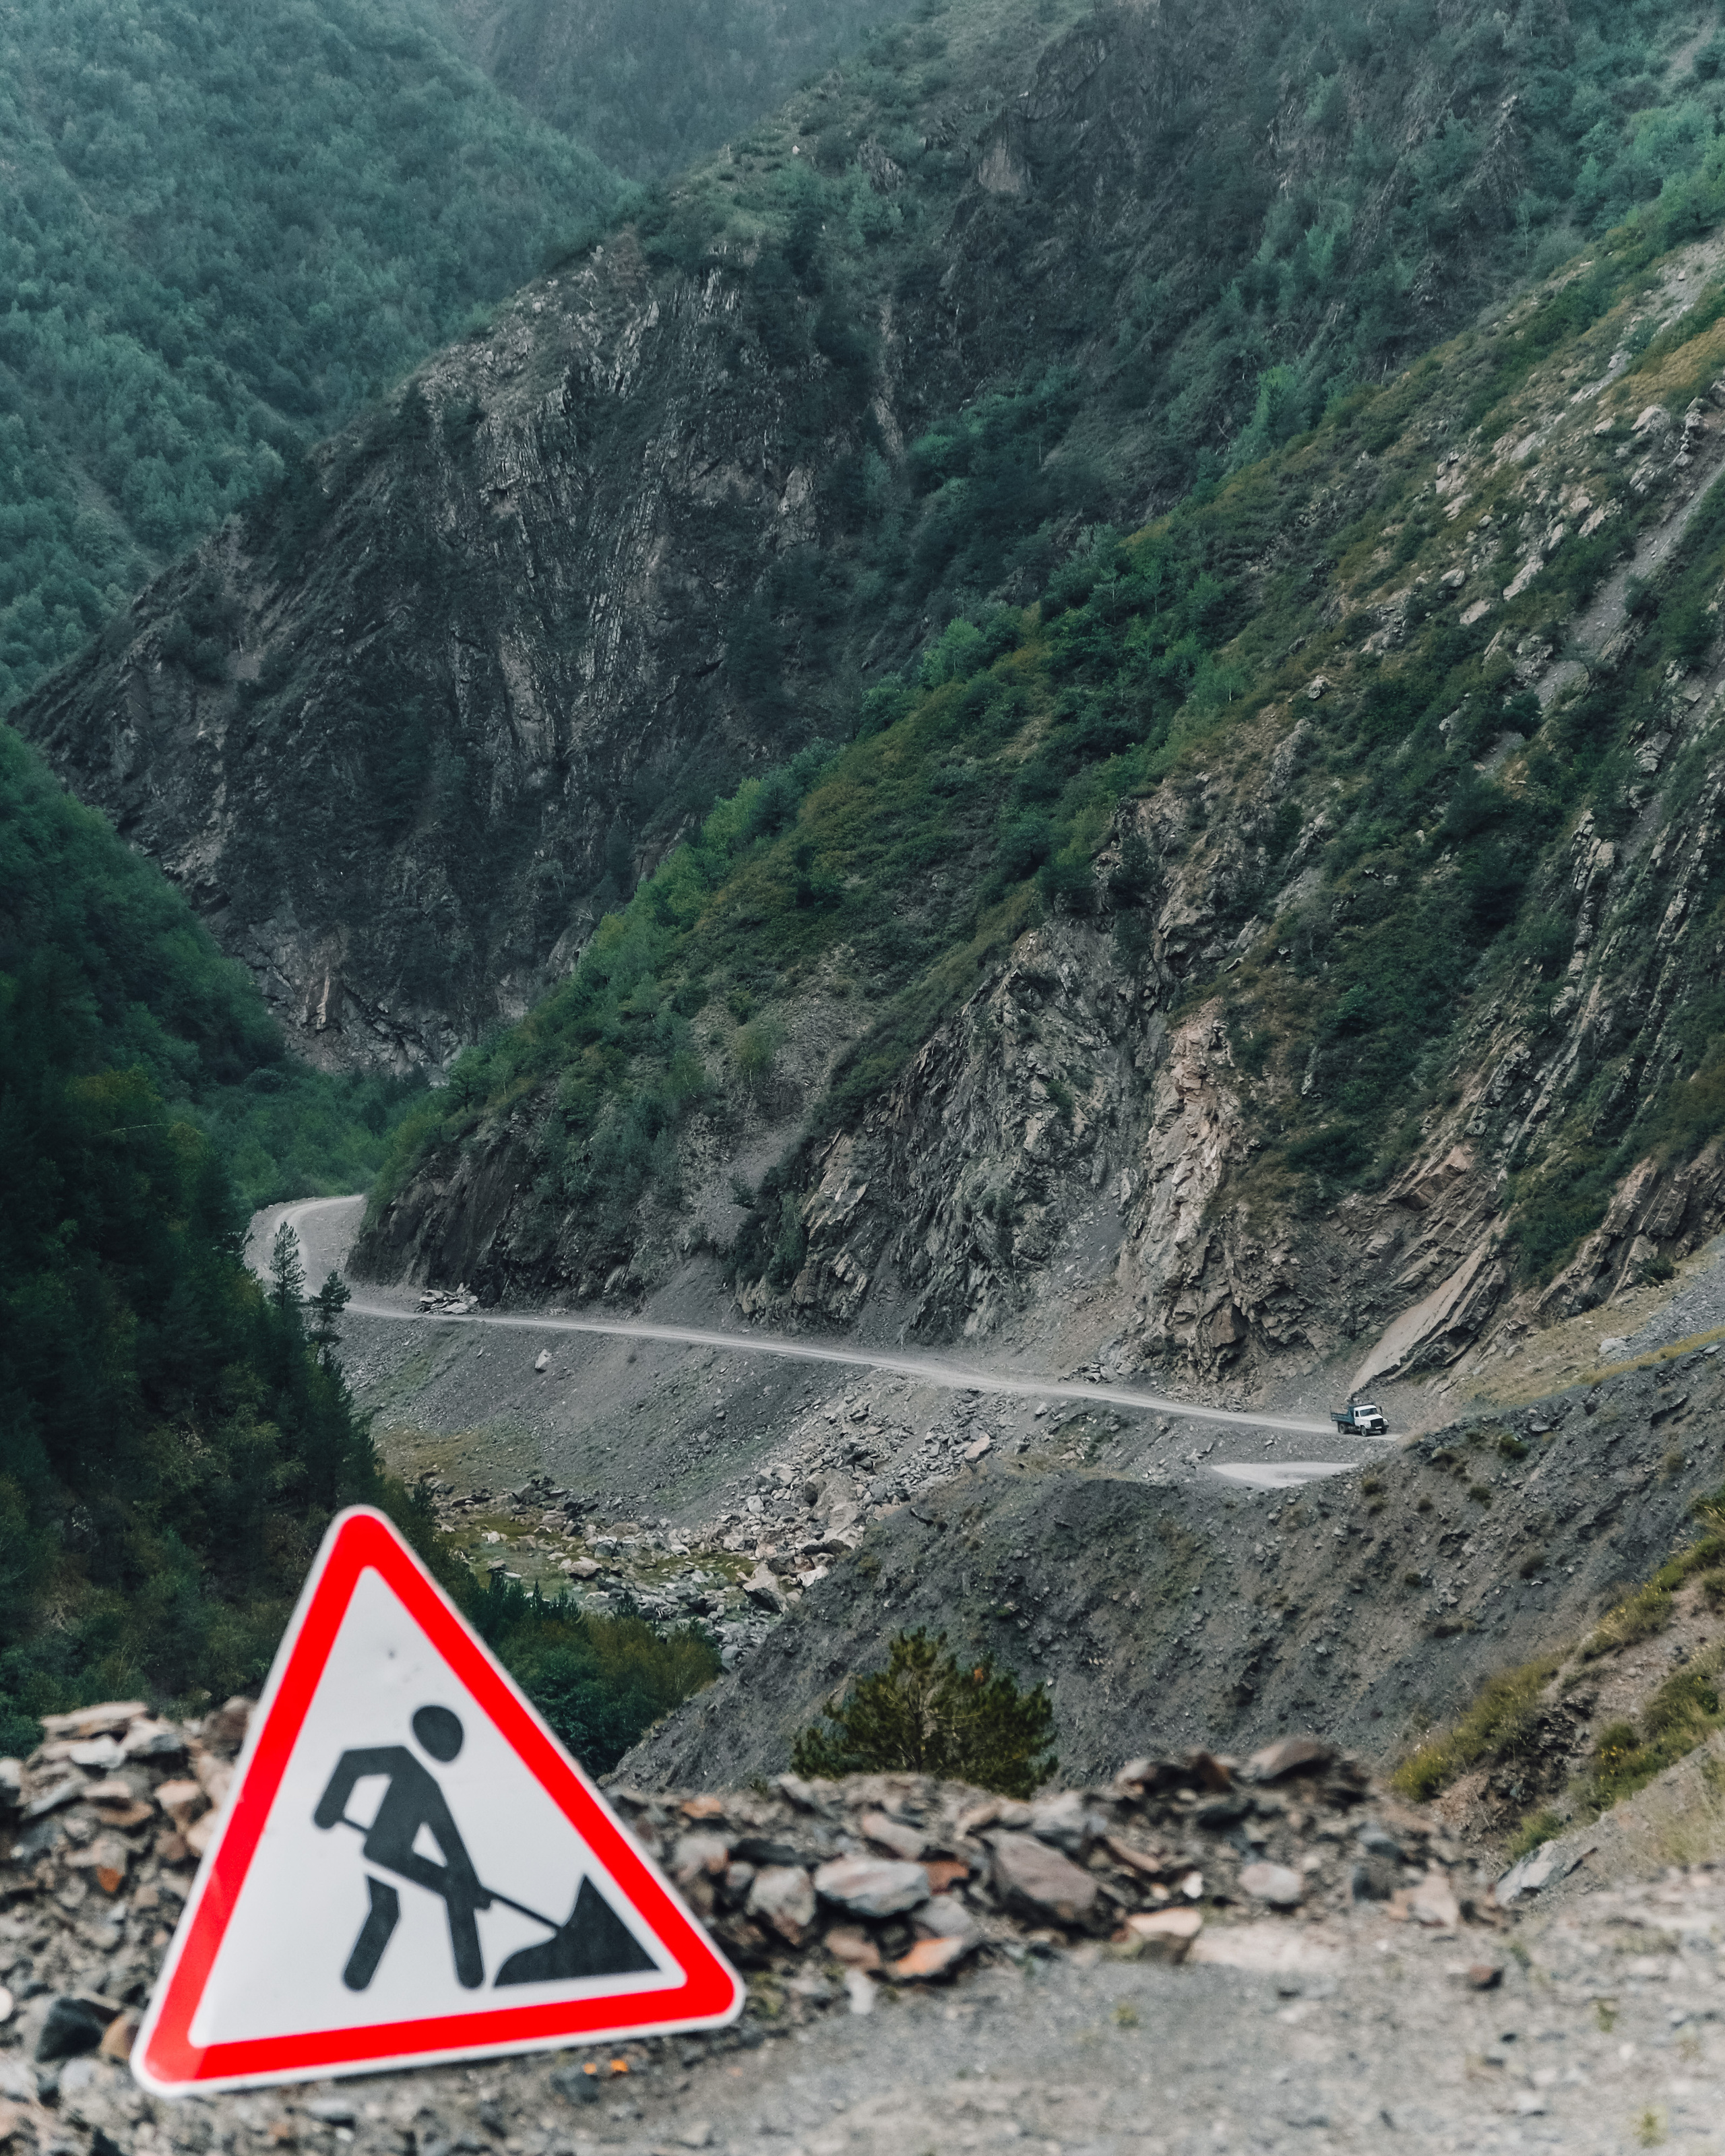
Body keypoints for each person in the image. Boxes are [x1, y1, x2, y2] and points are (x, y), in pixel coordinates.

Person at [312, 1705, 490, 1990]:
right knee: (406, 1904)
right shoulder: (403, 1760)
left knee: (391, 1909)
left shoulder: (429, 1787)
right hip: (385, 1852)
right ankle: (469, 1973)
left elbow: (451, 1843)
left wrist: (473, 1885)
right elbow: (350, 1763)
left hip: (395, 1856)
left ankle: (356, 1980)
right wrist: (328, 1809)